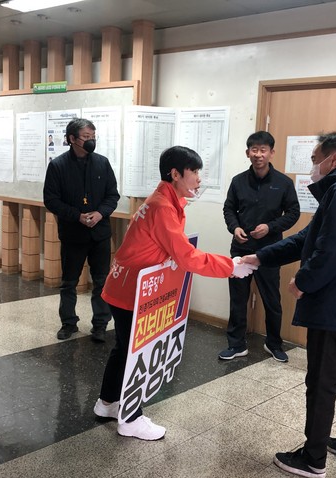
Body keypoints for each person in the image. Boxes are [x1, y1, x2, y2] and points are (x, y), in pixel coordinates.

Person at [243, 132, 336, 478]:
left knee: (321, 381)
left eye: (315, 159)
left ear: (333, 159)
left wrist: (303, 282)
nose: (312, 167)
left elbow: (332, 251)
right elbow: (308, 238)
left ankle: (313, 458)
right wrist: (261, 257)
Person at [94, 146, 254, 441]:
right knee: (137, 354)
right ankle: (131, 419)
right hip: (132, 291)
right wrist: (230, 266)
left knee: (124, 349)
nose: (198, 178)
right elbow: (186, 256)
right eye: (194, 171)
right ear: (175, 174)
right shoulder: (163, 207)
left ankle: (108, 403)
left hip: (125, 286)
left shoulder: (165, 201)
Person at [219, 131, 300, 363]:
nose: (258, 154)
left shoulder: (284, 183)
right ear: (248, 153)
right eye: (254, 150)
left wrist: (270, 227)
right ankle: (236, 344)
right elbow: (229, 209)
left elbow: (293, 213)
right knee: (238, 299)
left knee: (272, 300)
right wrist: (235, 227)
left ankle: (273, 343)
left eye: (263, 150)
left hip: (269, 251)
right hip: (241, 249)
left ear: (271, 153)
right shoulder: (238, 181)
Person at [43, 118, 119, 343]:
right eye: (86, 137)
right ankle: (68, 323)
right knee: (69, 282)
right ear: (72, 139)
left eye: (93, 137)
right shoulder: (58, 166)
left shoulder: (102, 163)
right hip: (72, 234)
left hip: (99, 233)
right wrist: (77, 215)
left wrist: (100, 213)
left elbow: (112, 195)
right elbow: (51, 200)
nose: (90, 141)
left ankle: (100, 325)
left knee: (101, 281)